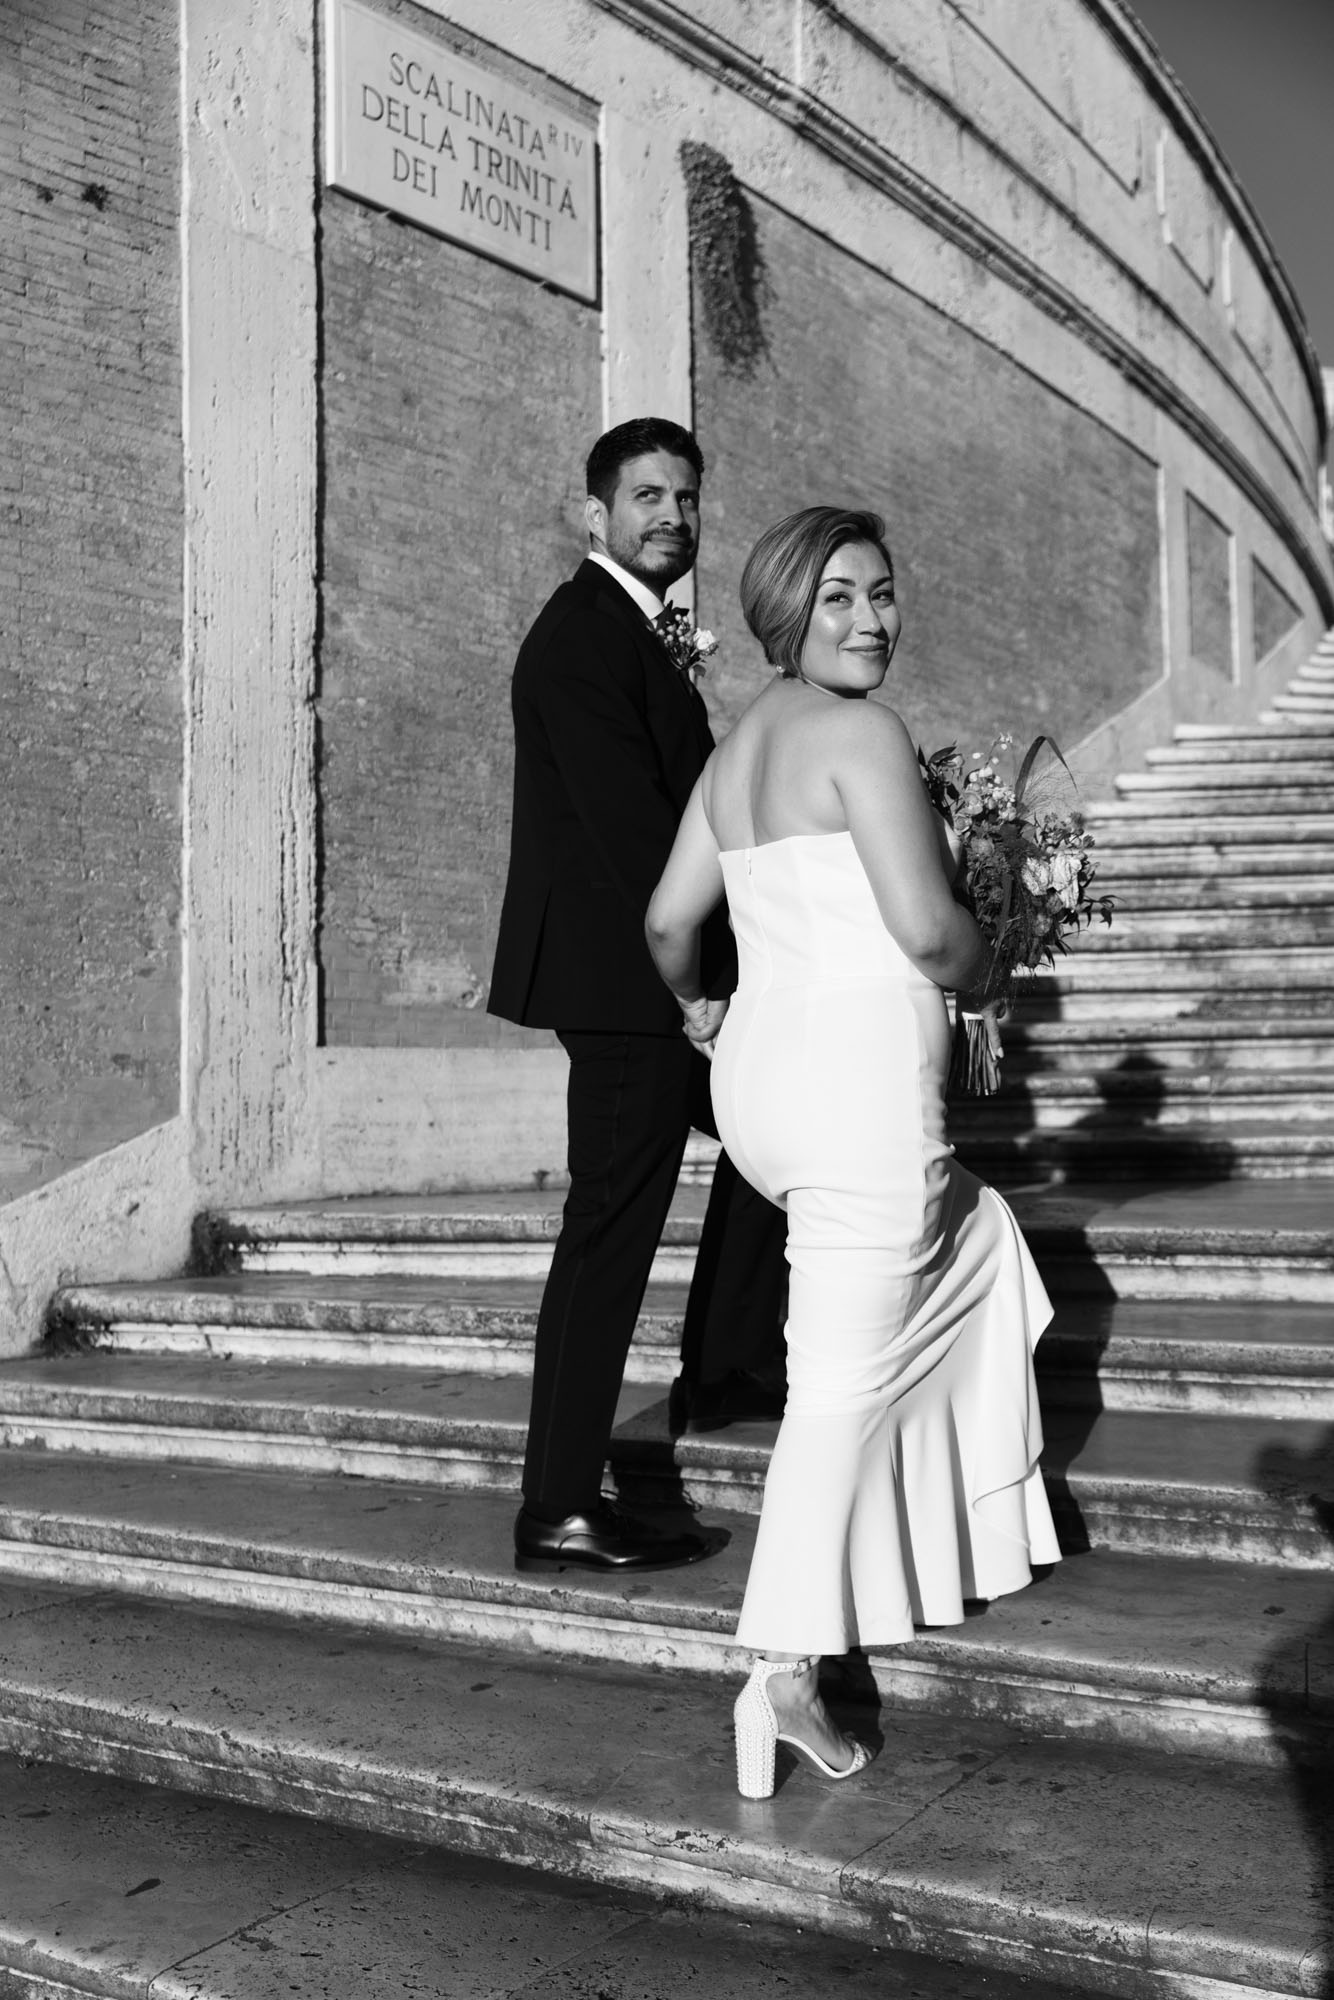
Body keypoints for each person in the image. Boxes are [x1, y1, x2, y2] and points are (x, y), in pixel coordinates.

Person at [645, 506, 1061, 1795]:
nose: (869, 619)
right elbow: (931, 933)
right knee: (831, 1392)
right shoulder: (860, 734)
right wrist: (989, 982)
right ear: (782, 608)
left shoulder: (735, 751)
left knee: (985, 1248)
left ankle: (907, 1546)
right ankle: (777, 1672)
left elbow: (668, 922)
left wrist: (697, 1008)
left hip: (762, 1091)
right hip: (857, 1097)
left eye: (881, 594)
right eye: (835, 598)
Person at [488, 417, 789, 1575]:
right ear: (595, 515)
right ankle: (558, 1503)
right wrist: (702, 988)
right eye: (647, 496)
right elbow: (634, 836)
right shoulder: (580, 638)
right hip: (629, 986)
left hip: (653, 973)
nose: (672, 514)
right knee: (607, 1236)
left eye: (686, 497)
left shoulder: (634, 632)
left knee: (772, 1132)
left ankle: (724, 1360)